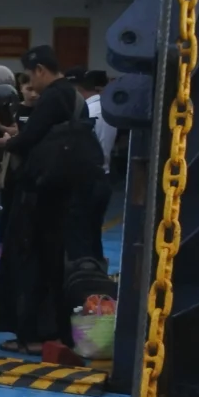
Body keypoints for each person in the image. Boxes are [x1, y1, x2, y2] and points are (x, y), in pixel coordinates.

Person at [0, 45, 85, 356]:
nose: (30, 83)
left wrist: (9, 142)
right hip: (61, 192)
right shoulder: (72, 96)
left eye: (31, 76)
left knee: (30, 262)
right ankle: (52, 330)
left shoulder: (53, 97)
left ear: (41, 70)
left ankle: (31, 333)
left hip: (39, 195)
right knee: (52, 263)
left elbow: (30, 139)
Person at [64, 68, 116, 265]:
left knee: (80, 237)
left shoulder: (88, 112)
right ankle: (95, 279)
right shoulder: (107, 110)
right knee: (93, 235)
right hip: (103, 175)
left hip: (87, 178)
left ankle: (83, 280)